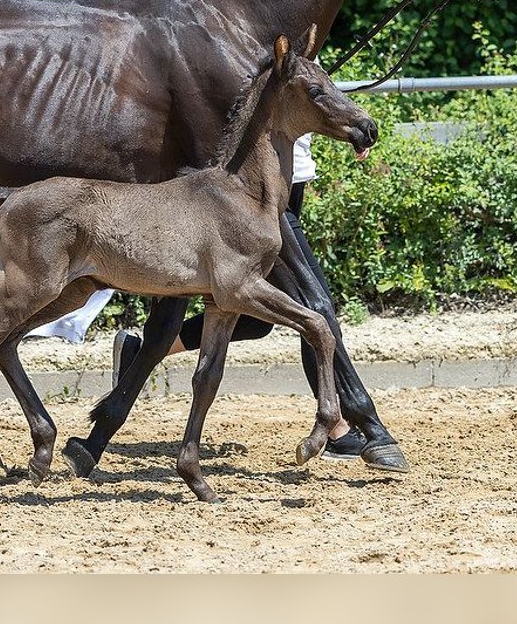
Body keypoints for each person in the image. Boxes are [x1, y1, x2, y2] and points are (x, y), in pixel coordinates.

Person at [111, 132, 369, 461]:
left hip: (291, 180)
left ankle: (138, 353)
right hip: (260, 191)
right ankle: (337, 427)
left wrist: (350, 128)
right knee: (311, 304)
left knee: (257, 321)